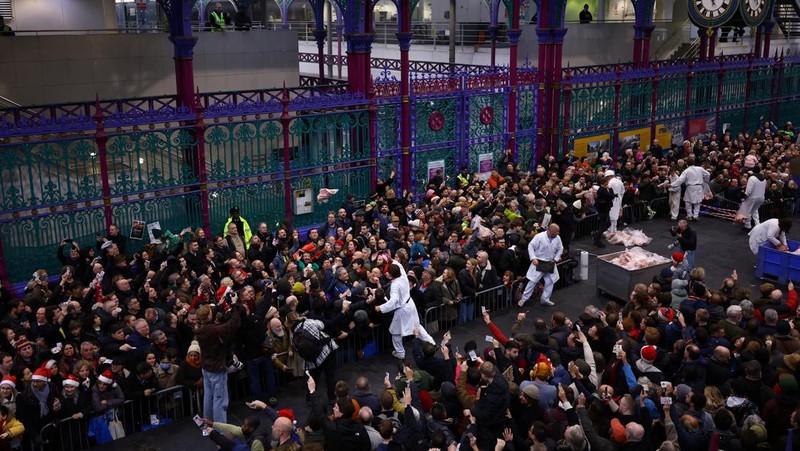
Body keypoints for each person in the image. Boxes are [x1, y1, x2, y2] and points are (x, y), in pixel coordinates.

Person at [376, 259, 435, 360]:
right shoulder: (403, 276)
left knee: (395, 332)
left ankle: (400, 353)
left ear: (390, 275)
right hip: (410, 304)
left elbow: (393, 301)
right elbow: (400, 266)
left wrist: (380, 308)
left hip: (402, 309)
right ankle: (432, 343)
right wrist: (392, 259)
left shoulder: (395, 285)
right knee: (417, 326)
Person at [194, 303, 242, 423]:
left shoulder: (198, 329)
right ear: (208, 316)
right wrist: (235, 307)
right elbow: (234, 324)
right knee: (220, 400)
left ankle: (207, 423)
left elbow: (211, 317)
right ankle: (221, 429)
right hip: (217, 368)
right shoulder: (214, 330)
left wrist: (221, 304)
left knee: (208, 397)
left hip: (206, 367)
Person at [518, 224, 564, 307]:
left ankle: (545, 299)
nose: (557, 233)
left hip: (550, 262)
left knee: (550, 282)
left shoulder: (557, 238)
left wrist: (556, 258)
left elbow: (560, 248)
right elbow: (530, 246)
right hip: (539, 262)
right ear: (550, 231)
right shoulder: (539, 236)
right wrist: (533, 258)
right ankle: (523, 299)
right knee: (532, 282)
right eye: (556, 232)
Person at [593, 176, 614, 248]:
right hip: (603, 210)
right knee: (603, 226)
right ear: (605, 183)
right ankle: (597, 241)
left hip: (604, 209)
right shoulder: (603, 190)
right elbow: (611, 196)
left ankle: (597, 237)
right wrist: (611, 189)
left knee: (607, 224)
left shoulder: (602, 189)